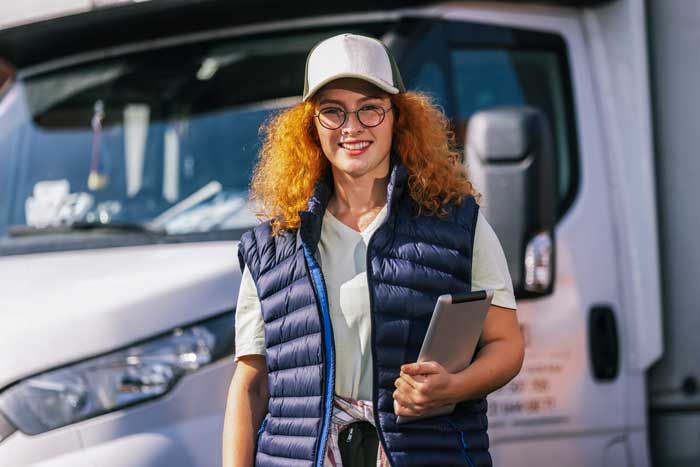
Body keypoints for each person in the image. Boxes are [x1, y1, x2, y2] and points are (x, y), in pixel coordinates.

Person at [222, 33, 524, 467]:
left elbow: (506, 345)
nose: (352, 127)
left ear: (397, 118)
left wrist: (453, 389)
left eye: (370, 108)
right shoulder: (272, 246)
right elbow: (250, 386)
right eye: (332, 111)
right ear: (311, 126)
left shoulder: (459, 225)